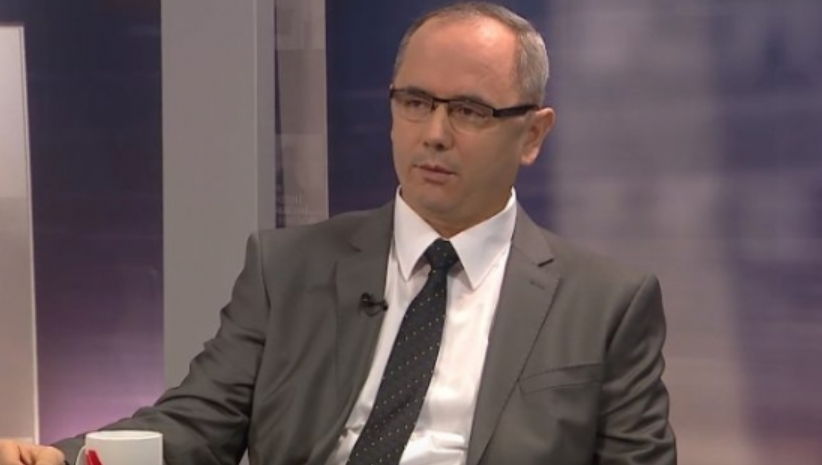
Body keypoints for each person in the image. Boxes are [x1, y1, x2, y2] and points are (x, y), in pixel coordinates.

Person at [0, 2, 676, 464]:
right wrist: (61, 458)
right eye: (416, 103)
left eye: (469, 111)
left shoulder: (605, 303)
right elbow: (196, 423)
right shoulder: (288, 267)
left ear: (532, 134)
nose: (434, 133)